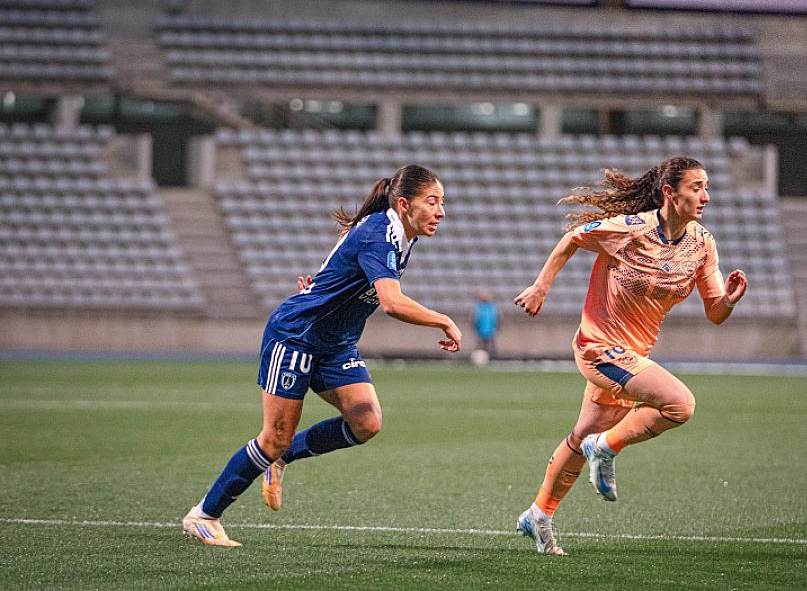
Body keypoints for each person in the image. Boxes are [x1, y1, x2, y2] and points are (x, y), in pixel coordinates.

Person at [182, 164, 462, 546]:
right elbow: (391, 302)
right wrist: (443, 320)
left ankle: (283, 458)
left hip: (335, 343)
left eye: (442, 202)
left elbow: (341, 263)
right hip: (297, 337)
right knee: (273, 438)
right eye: (432, 201)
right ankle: (203, 515)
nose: (441, 211)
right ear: (404, 204)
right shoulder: (379, 235)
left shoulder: (400, 235)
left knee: (366, 422)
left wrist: (321, 287)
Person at [512, 156, 748, 555]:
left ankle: (538, 515)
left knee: (581, 435)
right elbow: (573, 238)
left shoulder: (702, 244)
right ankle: (605, 447)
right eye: (697, 188)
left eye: (706, 188)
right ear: (670, 193)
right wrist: (540, 287)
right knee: (680, 405)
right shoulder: (630, 229)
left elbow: (715, 312)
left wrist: (730, 300)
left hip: (632, 357)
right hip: (598, 347)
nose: (706, 196)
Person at [472, 289, 500, 359]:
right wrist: (475, 329)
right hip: (480, 331)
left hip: (491, 331)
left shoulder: (493, 307)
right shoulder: (478, 308)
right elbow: (474, 319)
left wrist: (496, 329)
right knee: (480, 349)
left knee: (491, 349)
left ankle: (493, 359)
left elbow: (497, 319)